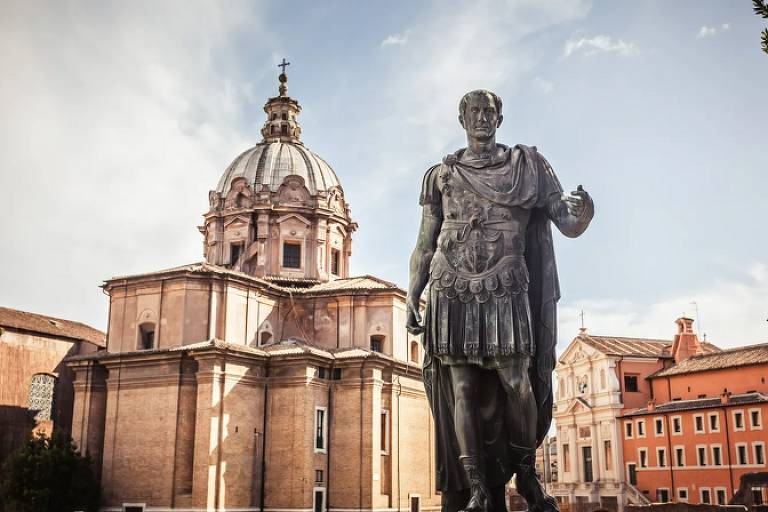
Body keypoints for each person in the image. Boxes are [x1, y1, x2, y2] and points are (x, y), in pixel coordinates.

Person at [406, 90, 593, 512]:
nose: (481, 118)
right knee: (463, 390)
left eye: (489, 111)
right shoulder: (440, 175)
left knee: (517, 383)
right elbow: (424, 242)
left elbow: (565, 221)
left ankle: (526, 473)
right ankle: (475, 487)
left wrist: (581, 215)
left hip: (506, 282)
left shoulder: (528, 167)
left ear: (500, 117)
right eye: (473, 112)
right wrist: (411, 295)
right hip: (450, 286)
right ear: (461, 119)